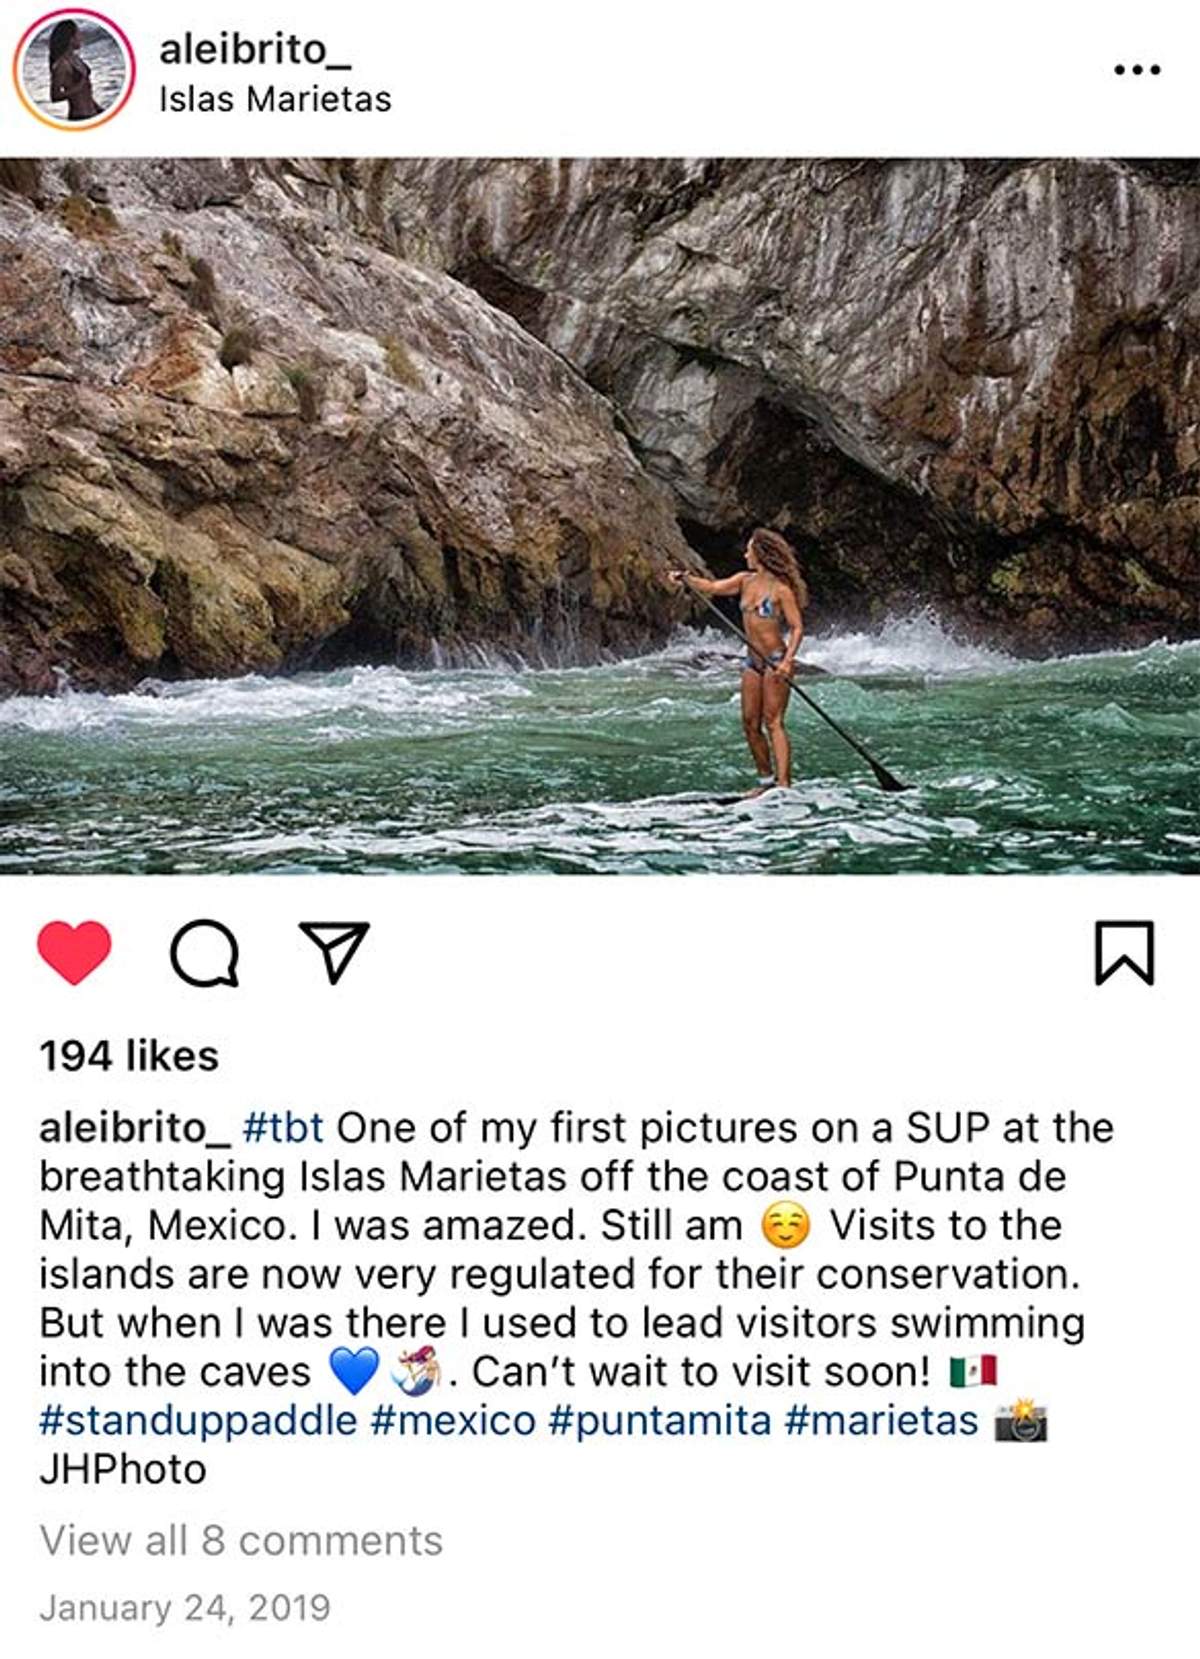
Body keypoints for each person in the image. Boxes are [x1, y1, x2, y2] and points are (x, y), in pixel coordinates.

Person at [671, 528, 808, 794]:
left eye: (749, 550)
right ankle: (765, 782)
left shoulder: (781, 590)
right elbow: (712, 587)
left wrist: (788, 661)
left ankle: (784, 785)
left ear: (761, 554)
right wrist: (686, 578)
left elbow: (797, 628)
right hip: (752, 662)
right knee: (749, 722)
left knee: (773, 722)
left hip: (776, 660)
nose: (745, 555)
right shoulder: (744, 581)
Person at [48, 20, 101, 122]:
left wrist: (99, 109)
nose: (81, 37)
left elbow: (86, 92)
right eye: (78, 34)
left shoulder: (76, 58)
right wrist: (78, 87)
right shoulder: (62, 65)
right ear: (70, 39)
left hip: (93, 113)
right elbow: (55, 96)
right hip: (79, 117)